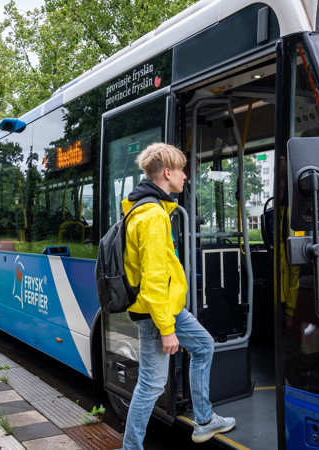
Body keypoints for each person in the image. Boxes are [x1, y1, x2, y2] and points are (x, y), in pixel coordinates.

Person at [122, 142, 236, 449]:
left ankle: (204, 420)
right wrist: (167, 329)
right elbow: (155, 279)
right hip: (157, 313)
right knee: (152, 384)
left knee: (203, 345)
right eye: (182, 170)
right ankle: (131, 447)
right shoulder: (153, 217)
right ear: (168, 172)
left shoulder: (147, 209)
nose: (186, 176)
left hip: (168, 308)